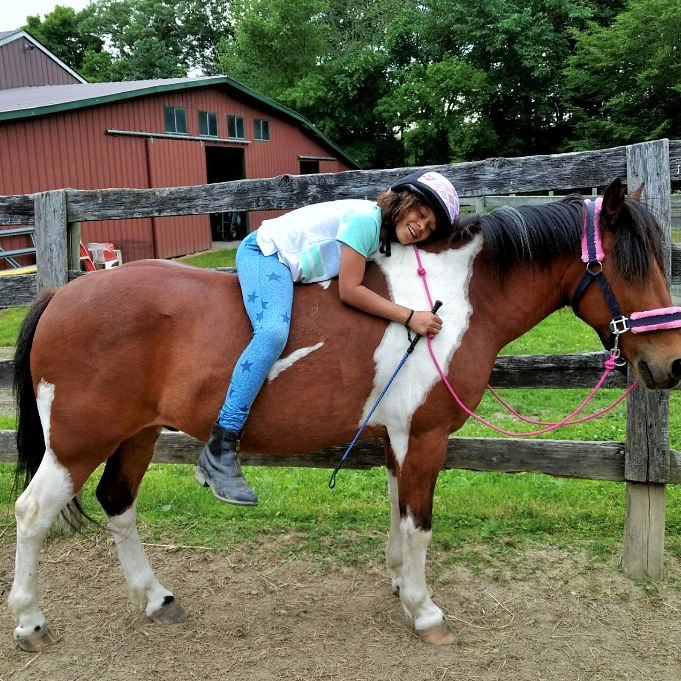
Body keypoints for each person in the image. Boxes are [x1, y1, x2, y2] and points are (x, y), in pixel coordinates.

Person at [195, 170, 460, 505]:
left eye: (431, 227)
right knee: (274, 333)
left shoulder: (383, 235)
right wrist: (410, 317)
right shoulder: (366, 220)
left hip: (293, 267)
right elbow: (350, 291)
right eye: (421, 214)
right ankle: (220, 446)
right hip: (267, 255)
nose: (422, 227)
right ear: (402, 202)